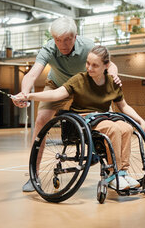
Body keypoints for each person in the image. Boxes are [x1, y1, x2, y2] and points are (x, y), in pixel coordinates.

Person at [15, 45, 145, 190]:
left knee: (126, 127)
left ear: (106, 66)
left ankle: (122, 172)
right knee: (112, 128)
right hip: (83, 120)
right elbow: (56, 94)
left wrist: (141, 121)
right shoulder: (79, 79)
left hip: (103, 117)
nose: (89, 68)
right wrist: (29, 96)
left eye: (95, 65)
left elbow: (124, 106)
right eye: (88, 63)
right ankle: (113, 174)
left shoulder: (113, 82)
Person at [12, 16, 121, 192]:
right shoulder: (48, 48)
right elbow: (32, 74)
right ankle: (34, 175)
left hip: (85, 87)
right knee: (41, 121)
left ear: (75, 36)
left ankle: (112, 173)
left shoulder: (88, 46)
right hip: (57, 86)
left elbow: (110, 66)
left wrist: (113, 77)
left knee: (106, 121)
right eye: (58, 40)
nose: (62, 44)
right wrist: (25, 93)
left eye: (67, 39)